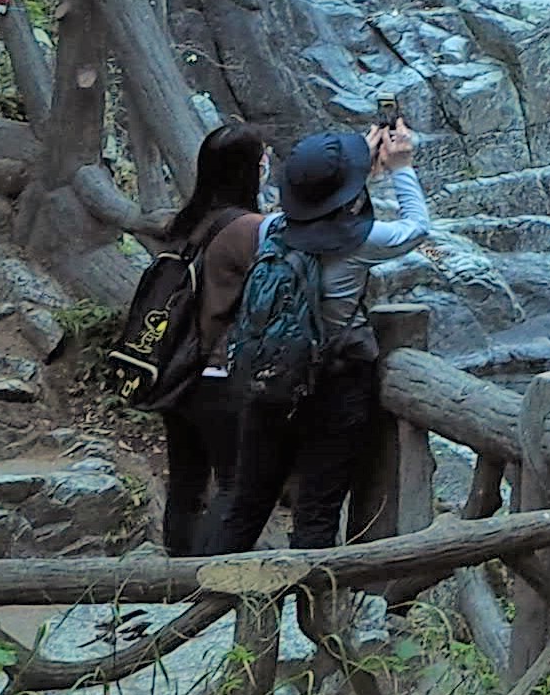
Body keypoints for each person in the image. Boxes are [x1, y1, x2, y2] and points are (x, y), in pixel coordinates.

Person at [204, 126, 415, 555]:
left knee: (246, 503)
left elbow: (319, 211)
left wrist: (352, 172)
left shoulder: (269, 231)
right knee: (317, 509)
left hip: (270, 380)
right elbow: (416, 228)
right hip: (335, 384)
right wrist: (402, 168)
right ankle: (314, 617)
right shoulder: (364, 242)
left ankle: (202, 608)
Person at [142, 121, 276, 555]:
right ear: (248, 171)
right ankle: (208, 583)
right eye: (262, 160)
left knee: (186, 480)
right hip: (219, 372)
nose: (267, 165)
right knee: (237, 482)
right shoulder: (249, 229)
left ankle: (177, 580)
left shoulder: (188, 222)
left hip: (176, 369)